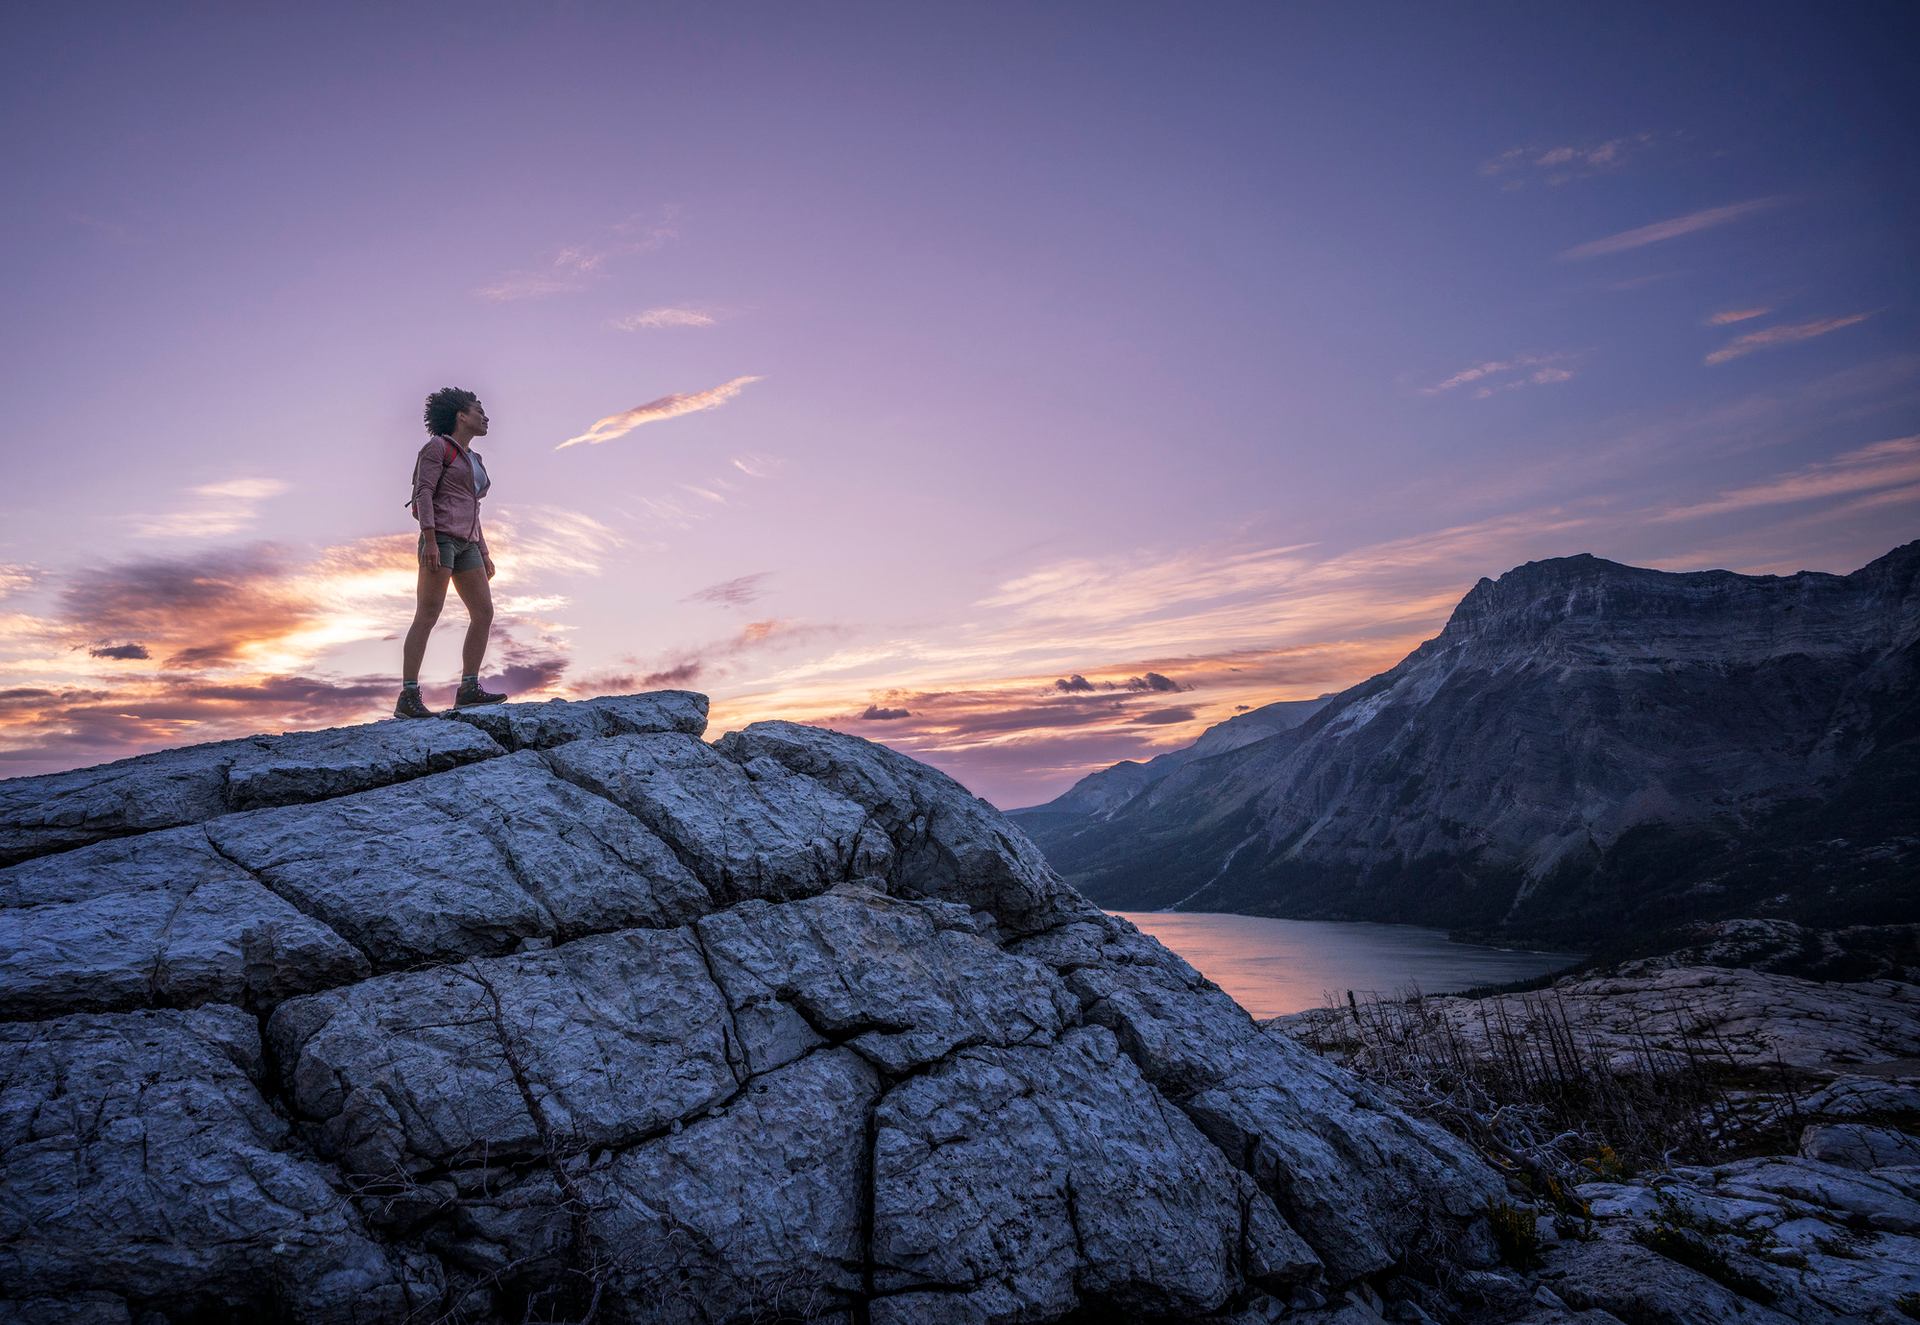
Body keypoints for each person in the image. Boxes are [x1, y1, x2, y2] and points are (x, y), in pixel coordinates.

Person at [396, 387, 507, 718]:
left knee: (483, 612)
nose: (485, 416)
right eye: (478, 410)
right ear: (461, 415)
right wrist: (429, 539)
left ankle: (468, 689)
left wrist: (484, 552)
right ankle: (409, 695)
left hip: (469, 544)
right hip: (441, 540)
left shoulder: (474, 460)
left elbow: (474, 508)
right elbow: (424, 494)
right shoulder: (437, 448)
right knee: (428, 614)